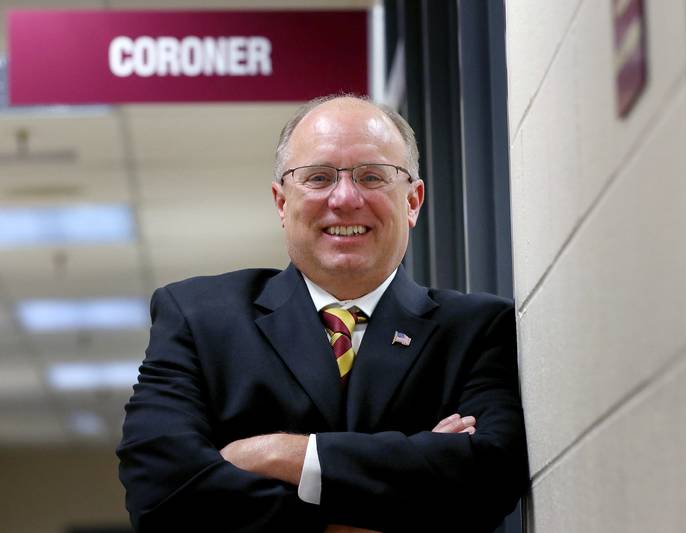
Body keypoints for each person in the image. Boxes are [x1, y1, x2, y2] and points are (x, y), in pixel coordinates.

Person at [117, 95, 528, 532]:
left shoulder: (479, 329)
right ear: (281, 202)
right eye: (318, 177)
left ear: (412, 201)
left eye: (372, 176)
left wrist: (276, 453)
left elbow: (489, 476)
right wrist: (404, 480)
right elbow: (161, 496)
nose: (346, 198)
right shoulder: (198, 318)